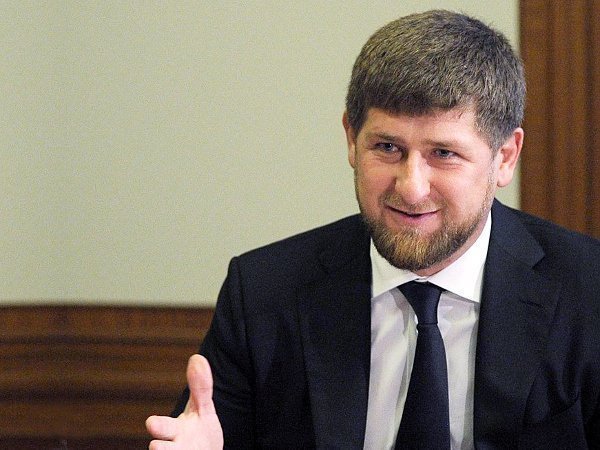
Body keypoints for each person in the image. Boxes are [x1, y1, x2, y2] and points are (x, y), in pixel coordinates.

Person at [146, 9, 600, 449]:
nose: (411, 188)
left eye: (443, 153)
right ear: (351, 138)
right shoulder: (263, 292)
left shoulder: (588, 291)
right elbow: (205, 433)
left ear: (504, 157)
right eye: (387, 147)